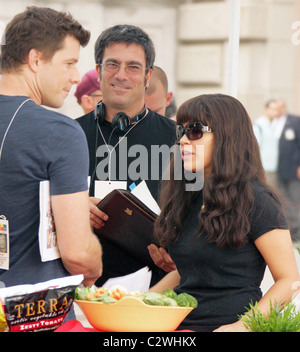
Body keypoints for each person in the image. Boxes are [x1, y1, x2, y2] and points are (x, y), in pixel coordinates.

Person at [150, 94, 299, 332]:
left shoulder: (258, 199)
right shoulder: (188, 196)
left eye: (195, 131)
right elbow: (190, 273)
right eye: (180, 131)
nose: (184, 141)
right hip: (177, 326)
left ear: (226, 136)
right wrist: (138, 302)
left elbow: (290, 280)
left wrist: (240, 327)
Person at [0, 7, 102, 289]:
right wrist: (93, 271)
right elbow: (78, 253)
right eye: (69, 63)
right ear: (35, 59)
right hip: (35, 313)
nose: (76, 77)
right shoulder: (60, 132)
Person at [76, 25, 175, 286]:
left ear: (147, 76)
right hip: (81, 286)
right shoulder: (68, 134)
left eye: (133, 67)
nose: (121, 75)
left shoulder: (178, 139)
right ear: (98, 71)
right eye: (112, 65)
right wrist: (72, 210)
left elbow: (201, 212)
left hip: (159, 289)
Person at [276, 99, 300, 243]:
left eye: (279, 107)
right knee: (284, 201)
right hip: (279, 170)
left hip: (293, 171)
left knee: (295, 200)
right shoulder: (272, 124)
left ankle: (297, 230)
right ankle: (290, 229)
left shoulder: (295, 121)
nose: (277, 110)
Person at [253, 99, 281, 188]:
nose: (276, 112)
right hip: (264, 169)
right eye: (273, 109)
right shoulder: (259, 125)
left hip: (274, 169)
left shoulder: (274, 125)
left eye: (277, 109)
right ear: (266, 109)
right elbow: (255, 148)